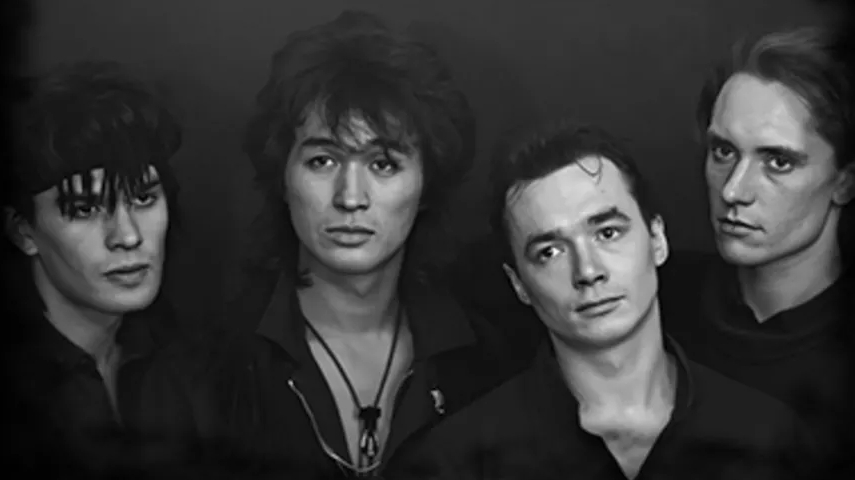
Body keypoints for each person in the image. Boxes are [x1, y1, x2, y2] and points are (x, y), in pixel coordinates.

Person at [139, 10, 515, 478]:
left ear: (426, 185)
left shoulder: (488, 365)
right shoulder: (197, 379)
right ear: (282, 175)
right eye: (323, 160)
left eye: (383, 164)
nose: (350, 197)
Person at [389, 120, 819, 480]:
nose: (588, 271)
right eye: (550, 252)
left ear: (657, 239)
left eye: (608, 233)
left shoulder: (774, 441)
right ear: (518, 284)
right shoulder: (451, 465)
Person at [659, 26, 855, 475]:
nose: (734, 190)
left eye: (778, 162)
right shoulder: (651, 301)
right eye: (723, 152)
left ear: (845, 181)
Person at [1, 61, 182, 477]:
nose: (128, 236)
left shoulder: (190, 364)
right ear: (23, 230)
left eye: (143, 198)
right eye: (84, 209)